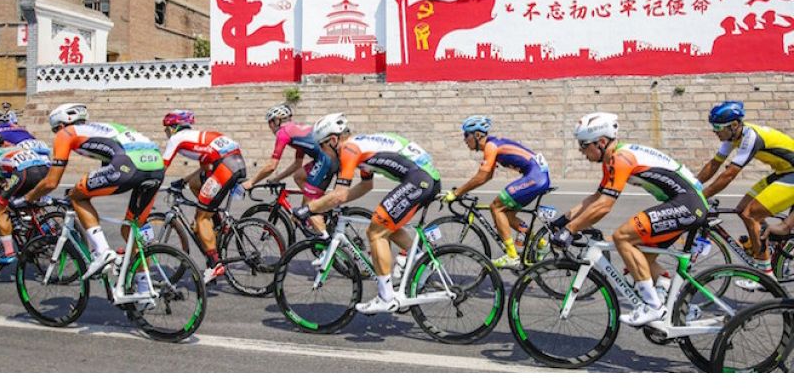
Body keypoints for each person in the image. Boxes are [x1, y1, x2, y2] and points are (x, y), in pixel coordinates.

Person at [549, 112, 707, 326]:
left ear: (601, 142)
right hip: (685, 202)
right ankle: (681, 308)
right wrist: (564, 221)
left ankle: (653, 307)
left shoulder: (621, 159)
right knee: (640, 257)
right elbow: (597, 197)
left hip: (687, 204)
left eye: (584, 145)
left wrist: (570, 230)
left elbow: (604, 206)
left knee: (622, 237)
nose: (581, 150)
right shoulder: (612, 159)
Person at [292, 114, 441, 314]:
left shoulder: (348, 149)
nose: (322, 152)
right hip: (425, 178)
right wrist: (332, 203)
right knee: (383, 222)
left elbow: (339, 193)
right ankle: (423, 261)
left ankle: (386, 298)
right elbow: (365, 185)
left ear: (333, 140)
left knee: (375, 232)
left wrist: (308, 209)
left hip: (419, 179)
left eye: (322, 146)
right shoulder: (359, 147)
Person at [21, 104, 165, 289]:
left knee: (77, 197)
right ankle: (145, 290)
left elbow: (51, 182)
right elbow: (107, 166)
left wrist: (28, 198)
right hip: (156, 167)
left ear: (61, 125)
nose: (57, 133)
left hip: (130, 165)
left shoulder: (66, 133)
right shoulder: (102, 128)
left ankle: (103, 252)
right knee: (131, 230)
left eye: (55, 129)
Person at [697, 100, 794, 284]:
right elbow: (714, 164)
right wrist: (694, 185)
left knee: (751, 215)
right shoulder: (733, 137)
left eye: (718, 127)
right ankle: (766, 247)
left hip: (791, 175)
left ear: (734, 125)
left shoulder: (751, 137)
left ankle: (765, 275)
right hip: (784, 172)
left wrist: (701, 196)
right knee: (742, 209)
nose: (715, 131)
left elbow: (729, 175)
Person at [444, 115, 550, 268]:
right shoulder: (493, 145)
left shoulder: (491, 146)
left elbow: (482, 176)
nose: (464, 139)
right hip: (538, 176)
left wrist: (457, 193)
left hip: (535, 177)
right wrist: (460, 191)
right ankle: (541, 244)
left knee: (496, 207)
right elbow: (487, 176)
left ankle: (512, 256)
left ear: (477, 135)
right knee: (507, 215)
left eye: (466, 135)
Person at [161, 110, 247, 284]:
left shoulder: (176, 138)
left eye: (166, 128)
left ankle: (215, 264)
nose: (166, 132)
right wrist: (183, 181)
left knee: (201, 218)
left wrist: (148, 186)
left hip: (225, 168)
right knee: (195, 183)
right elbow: (205, 168)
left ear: (173, 127)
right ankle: (216, 222)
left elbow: (161, 167)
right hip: (236, 164)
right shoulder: (199, 137)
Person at [242, 104, 337, 234]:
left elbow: (271, 165)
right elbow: (297, 164)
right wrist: (277, 179)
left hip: (326, 160)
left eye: (270, 122)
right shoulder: (295, 130)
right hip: (327, 159)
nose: (270, 127)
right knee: (298, 176)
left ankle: (324, 238)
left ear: (276, 121)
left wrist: (251, 182)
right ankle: (321, 204)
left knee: (307, 208)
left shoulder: (283, 133)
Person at [0, 133, 50, 264]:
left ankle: (9, 253)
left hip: (24, 173)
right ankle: (43, 226)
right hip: (44, 169)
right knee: (26, 201)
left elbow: (0, 181)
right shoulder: (10, 146)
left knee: (1, 206)